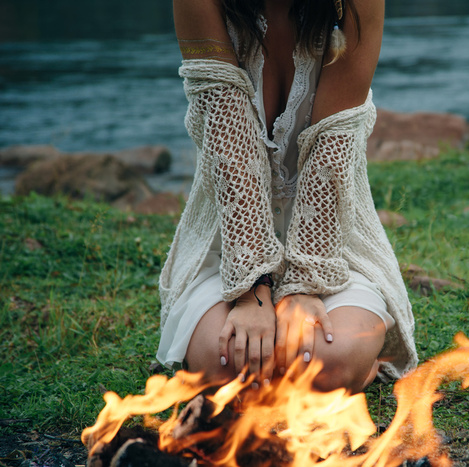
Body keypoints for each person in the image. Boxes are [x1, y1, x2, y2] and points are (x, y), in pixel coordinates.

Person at [156, 0, 417, 394]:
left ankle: (358, 365)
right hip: (227, 245)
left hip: (333, 245)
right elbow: (230, 145)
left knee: (327, 364)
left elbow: (334, 143)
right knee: (231, 370)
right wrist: (252, 292)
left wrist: (304, 285)